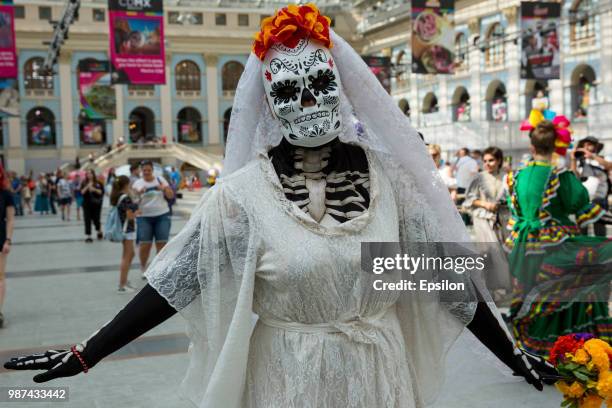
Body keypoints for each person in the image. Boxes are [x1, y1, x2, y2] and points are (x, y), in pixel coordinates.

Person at [3, 6, 550, 406]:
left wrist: (514, 355)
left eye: (318, 84)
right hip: (288, 379)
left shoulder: (387, 185)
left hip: (378, 375)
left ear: (339, 88)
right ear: (269, 99)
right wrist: (86, 353)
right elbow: (176, 283)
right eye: (290, 90)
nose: (308, 101)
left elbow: (445, 280)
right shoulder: (244, 197)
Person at [506, 120, 612, 356]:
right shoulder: (560, 175)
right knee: (578, 284)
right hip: (557, 245)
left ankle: (541, 346)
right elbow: (580, 203)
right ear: (555, 146)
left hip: (524, 245)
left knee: (537, 290)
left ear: (531, 146)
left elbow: (516, 211)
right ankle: (575, 348)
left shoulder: (516, 176)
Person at [463, 147, 511, 296]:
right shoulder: (478, 178)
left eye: (491, 160)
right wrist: (485, 204)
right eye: (485, 161)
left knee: (503, 252)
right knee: (490, 253)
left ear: (499, 161)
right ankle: (492, 289)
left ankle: (505, 286)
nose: (488, 164)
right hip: (483, 220)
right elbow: (469, 199)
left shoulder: (506, 177)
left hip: (502, 220)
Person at [132, 161, 174, 278]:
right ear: (141, 170)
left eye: (148, 170)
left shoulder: (160, 180)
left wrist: (164, 189)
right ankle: (143, 268)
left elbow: (171, 196)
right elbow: (133, 201)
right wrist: (139, 194)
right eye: (144, 170)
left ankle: (158, 269)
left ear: (152, 170)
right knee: (145, 245)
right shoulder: (137, 183)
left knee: (161, 244)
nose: (146, 172)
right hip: (144, 217)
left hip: (162, 215)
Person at [570, 136, 611, 237]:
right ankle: (584, 251)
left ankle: (601, 252)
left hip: (599, 199)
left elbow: (609, 166)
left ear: (596, 147)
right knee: (582, 230)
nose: (586, 147)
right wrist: (573, 160)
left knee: (599, 229)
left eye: (589, 144)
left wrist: (592, 156)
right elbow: (574, 176)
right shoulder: (580, 161)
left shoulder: (602, 159)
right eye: (584, 145)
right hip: (582, 200)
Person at [110, 176, 139, 293]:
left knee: (130, 254)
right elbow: (129, 216)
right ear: (126, 184)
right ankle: (122, 285)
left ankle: (125, 281)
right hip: (127, 229)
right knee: (127, 256)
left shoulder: (118, 196)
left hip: (124, 229)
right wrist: (136, 212)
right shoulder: (125, 198)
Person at [0, 164, 14, 328]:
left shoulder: (6, 194)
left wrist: (8, 240)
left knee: (0, 277)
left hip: (1, 238)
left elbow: (10, 219)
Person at [81, 169, 104, 243]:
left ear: (93, 174)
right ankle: (89, 236)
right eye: (87, 174)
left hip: (96, 204)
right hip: (86, 204)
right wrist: (88, 186)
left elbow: (101, 192)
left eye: (90, 173)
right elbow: (82, 192)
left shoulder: (98, 183)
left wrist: (94, 189)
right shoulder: (84, 183)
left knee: (96, 219)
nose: (89, 175)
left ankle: (99, 230)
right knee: (87, 219)